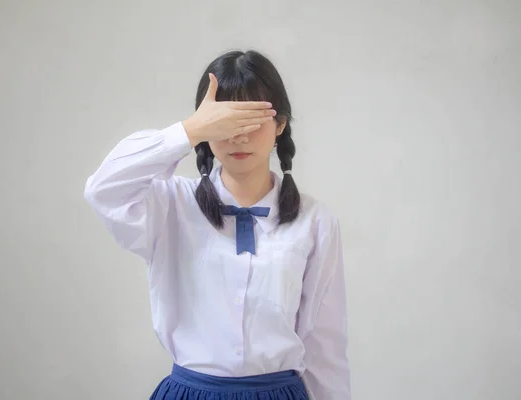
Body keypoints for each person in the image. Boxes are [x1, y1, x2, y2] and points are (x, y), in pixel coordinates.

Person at [83, 49, 351, 400]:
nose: (238, 137)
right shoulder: (170, 204)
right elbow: (103, 189)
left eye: (252, 119)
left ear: (280, 125)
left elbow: (325, 347)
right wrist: (189, 130)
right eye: (225, 122)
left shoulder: (314, 220)